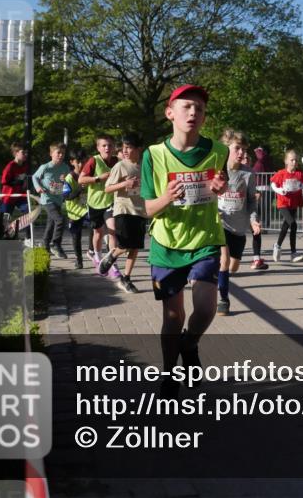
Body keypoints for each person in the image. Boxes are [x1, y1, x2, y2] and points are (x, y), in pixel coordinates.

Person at [142, 84, 228, 395]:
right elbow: (145, 207)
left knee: (205, 309)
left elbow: (221, 185)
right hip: (166, 245)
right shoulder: (153, 155)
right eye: (186, 107)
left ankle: (190, 345)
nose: (193, 112)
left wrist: (221, 186)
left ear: (204, 118)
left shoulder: (219, 151)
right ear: (170, 113)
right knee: (172, 316)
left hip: (204, 240)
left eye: (200, 109)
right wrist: (164, 198)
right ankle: (168, 375)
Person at [217, 129, 262, 314]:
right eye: (238, 148)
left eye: (244, 149)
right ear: (227, 147)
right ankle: (223, 299)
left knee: (233, 266)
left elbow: (251, 200)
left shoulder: (248, 174)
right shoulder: (218, 169)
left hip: (239, 227)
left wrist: (253, 221)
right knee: (224, 261)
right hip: (220, 224)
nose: (242, 153)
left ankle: (218, 276)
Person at [100, 132, 147, 292]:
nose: (125, 151)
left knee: (135, 247)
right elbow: (107, 188)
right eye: (123, 147)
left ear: (139, 149)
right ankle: (113, 254)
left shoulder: (144, 165)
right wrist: (124, 184)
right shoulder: (120, 166)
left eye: (129, 147)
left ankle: (126, 278)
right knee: (126, 245)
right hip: (123, 209)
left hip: (140, 210)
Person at [79, 133, 118, 268]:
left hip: (110, 202)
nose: (107, 148)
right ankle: (96, 254)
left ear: (114, 148)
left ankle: (112, 261)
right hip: (95, 203)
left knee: (113, 231)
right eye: (104, 145)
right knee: (98, 232)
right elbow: (81, 179)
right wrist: (98, 178)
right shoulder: (93, 161)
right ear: (98, 148)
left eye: (110, 145)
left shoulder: (116, 161)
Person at [270, 151, 303, 262]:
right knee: (293, 224)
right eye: (291, 160)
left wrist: (302, 185)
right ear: (286, 161)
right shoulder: (281, 173)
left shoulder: (300, 174)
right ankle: (293, 252)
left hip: (294, 203)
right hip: (283, 203)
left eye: (295, 160)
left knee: (286, 225)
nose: (294, 162)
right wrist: (279, 190)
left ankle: (277, 246)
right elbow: (273, 184)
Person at [32, 143, 72, 260]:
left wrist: (65, 182)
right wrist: (38, 187)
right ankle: (56, 244)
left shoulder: (65, 167)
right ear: (51, 154)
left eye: (63, 153)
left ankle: (45, 246)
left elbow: (66, 182)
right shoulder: (45, 167)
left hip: (58, 199)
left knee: (51, 223)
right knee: (60, 220)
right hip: (47, 199)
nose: (60, 155)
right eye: (58, 153)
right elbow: (34, 177)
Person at [241, 149, 268, 271]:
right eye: (244, 158)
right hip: (236, 209)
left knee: (256, 230)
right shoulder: (233, 172)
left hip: (250, 208)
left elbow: (252, 191)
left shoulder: (251, 173)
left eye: (248, 158)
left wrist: (256, 195)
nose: (246, 160)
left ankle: (257, 259)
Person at [0, 143, 30, 238]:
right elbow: (4, 181)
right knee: (5, 219)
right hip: (8, 196)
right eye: (23, 153)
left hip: (20, 196)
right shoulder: (10, 166)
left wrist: (24, 183)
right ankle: (2, 236)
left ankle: (29, 237)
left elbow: (23, 178)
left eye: (26, 153)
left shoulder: (25, 165)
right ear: (16, 153)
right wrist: (17, 182)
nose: (25, 155)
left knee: (28, 213)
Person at [63, 148, 88, 269]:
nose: (81, 164)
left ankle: (93, 251)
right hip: (74, 212)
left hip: (87, 209)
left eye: (83, 161)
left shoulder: (89, 174)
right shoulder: (69, 178)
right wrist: (79, 188)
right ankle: (79, 260)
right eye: (78, 162)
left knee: (97, 227)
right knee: (76, 236)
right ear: (72, 162)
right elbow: (66, 196)